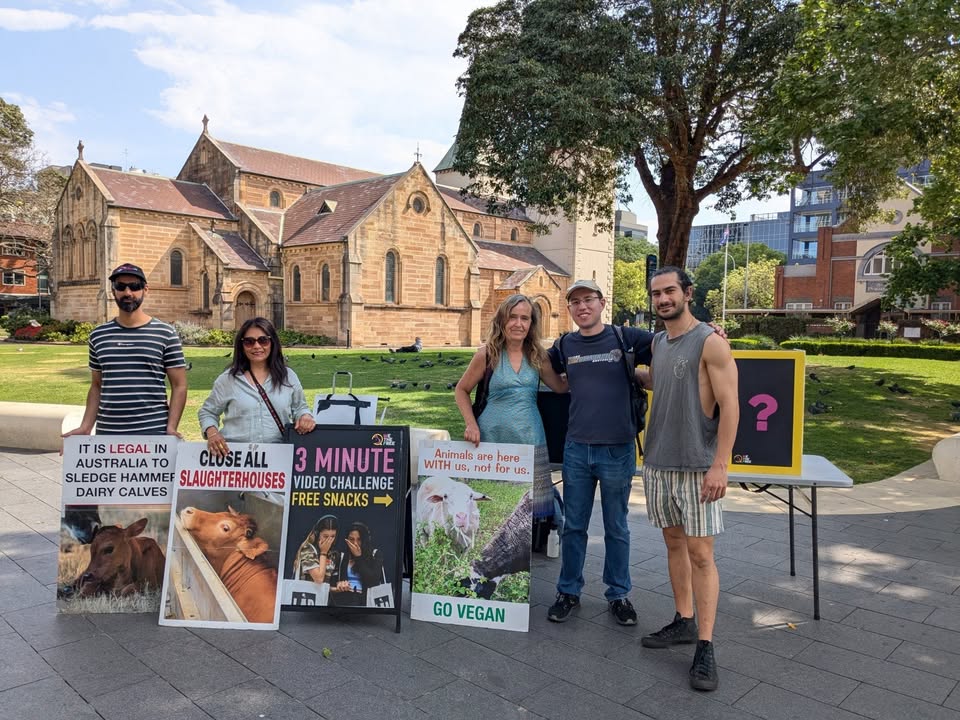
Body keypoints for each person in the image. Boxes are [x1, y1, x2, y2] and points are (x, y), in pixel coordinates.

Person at [640, 266, 739, 692]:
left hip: (698, 466)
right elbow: (661, 383)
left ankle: (705, 645)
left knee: (701, 554)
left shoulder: (711, 342)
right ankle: (684, 620)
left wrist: (721, 464)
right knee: (674, 543)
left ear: (687, 293)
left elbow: (731, 405)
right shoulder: (658, 342)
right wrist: (633, 375)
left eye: (670, 291)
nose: (663, 299)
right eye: (656, 293)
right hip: (659, 463)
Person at [545, 279, 652, 626]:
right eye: (575, 302)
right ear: (570, 308)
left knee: (616, 527)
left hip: (618, 449)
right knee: (574, 526)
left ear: (602, 302)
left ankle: (618, 594)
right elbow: (538, 364)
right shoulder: (564, 344)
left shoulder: (626, 337)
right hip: (577, 449)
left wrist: (709, 333)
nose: (582, 306)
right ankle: (568, 591)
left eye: (588, 299)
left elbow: (671, 344)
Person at [455, 294, 568, 520]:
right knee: (491, 504)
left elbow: (560, 387)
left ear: (531, 323)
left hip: (529, 437)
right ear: (502, 321)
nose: (518, 324)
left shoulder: (538, 356)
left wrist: (586, 370)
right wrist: (471, 424)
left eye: (525, 318)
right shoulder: (487, 354)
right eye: (512, 317)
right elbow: (461, 390)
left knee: (531, 508)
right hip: (491, 439)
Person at [63, 263, 187, 438]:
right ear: (113, 291)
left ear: (145, 290)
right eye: (120, 286)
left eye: (134, 286)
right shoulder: (98, 335)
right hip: (109, 432)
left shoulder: (165, 333)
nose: (128, 292)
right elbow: (96, 386)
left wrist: (171, 427)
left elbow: (179, 385)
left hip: (154, 431)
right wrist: (86, 427)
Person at [199, 317, 315, 456]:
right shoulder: (228, 379)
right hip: (236, 458)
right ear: (242, 345)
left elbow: (300, 407)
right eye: (249, 342)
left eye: (263, 340)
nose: (256, 346)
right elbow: (208, 412)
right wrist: (212, 433)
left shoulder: (288, 377)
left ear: (272, 342)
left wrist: (305, 416)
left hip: (278, 456)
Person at [329, 521, 385, 606]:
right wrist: (339, 585)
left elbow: (373, 581)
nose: (355, 543)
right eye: (351, 539)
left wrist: (358, 557)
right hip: (344, 600)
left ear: (364, 540)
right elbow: (330, 584)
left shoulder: (375, 554)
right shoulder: (341, 556)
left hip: (366, 602)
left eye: (359, 539)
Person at [294, 514, 340, 585]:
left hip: (323, 592)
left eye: (333, 536)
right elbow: (319, 579)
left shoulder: (333, 554)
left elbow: (327, 585)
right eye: (325, 536)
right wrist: (323, 553)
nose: (329, 540)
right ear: (317, 534)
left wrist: (338, 588)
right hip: (306, 591)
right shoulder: (307, 549)